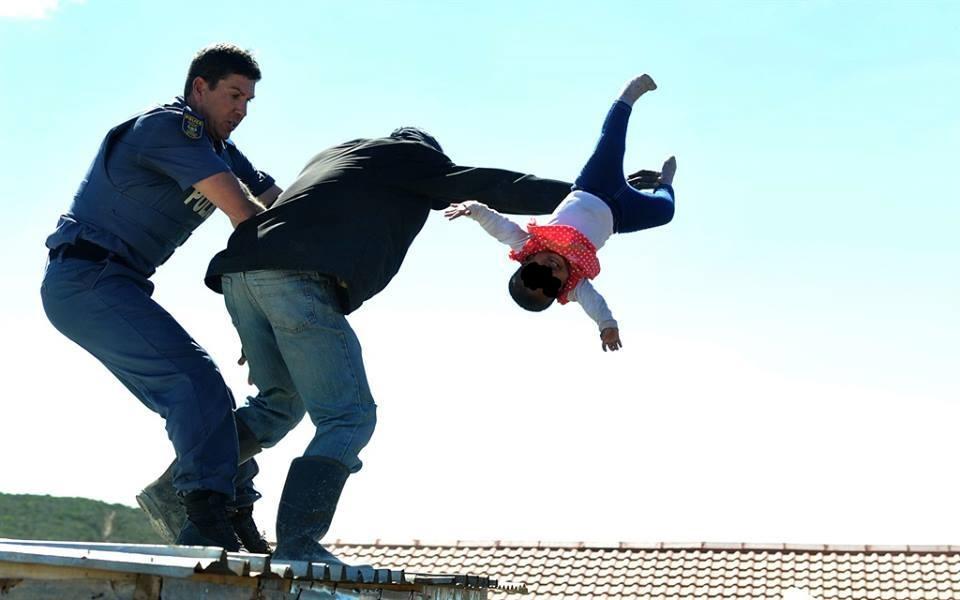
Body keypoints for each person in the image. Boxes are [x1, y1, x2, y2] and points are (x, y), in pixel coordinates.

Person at [137, 125, 662, 562]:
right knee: (349, 417)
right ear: (430, 157)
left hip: (243, 278)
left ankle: (175, 490)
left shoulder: (336, 156)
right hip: (297, 281)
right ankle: (298, 544)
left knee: (279, 405)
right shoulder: (411, 160)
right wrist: (595, 201)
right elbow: (497, 185)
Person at [40, 43, 282, 552]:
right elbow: (245, 213)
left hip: (116, 281)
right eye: (234, 94)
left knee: (205, 391)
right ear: (201, 88)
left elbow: (277, 203)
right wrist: (266, 313)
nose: (242, 109)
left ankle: (232, 510)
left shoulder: (219, 149)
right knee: (193, 383)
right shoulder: (168, 129)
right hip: (86, 277)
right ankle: (202, 515)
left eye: (250, 100)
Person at [444, 74, 676, 352]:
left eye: (535, 274)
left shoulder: (527, 244)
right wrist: (607, 325)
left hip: (594, 184)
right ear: (561, 291)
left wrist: (473, 209)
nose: (549, 271)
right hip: (622, 215)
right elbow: (595, 304)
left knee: (612, 142)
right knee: (665, 212)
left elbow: (497, 225)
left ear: (525, 263)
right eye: (551, 285)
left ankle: (629, 94)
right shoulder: (576, 283)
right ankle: (665, 183)